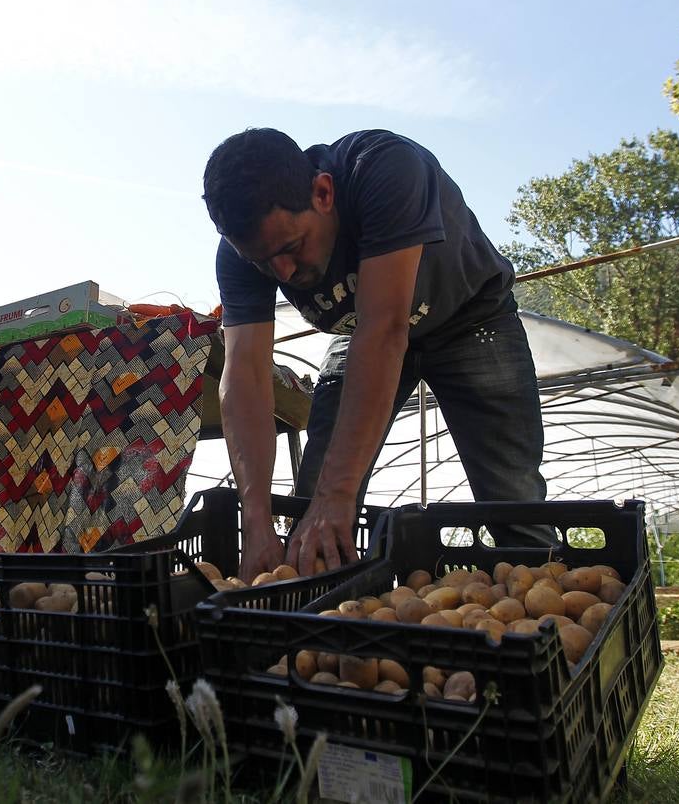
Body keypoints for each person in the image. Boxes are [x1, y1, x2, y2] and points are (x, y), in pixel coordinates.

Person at [204, 128, 553, 580]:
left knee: (513, 498)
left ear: (323, 193)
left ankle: (544, 618)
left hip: (470, 320)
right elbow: (247, 374)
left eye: (291, 248)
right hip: (360, 333)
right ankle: (329, 620)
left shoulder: (384, 169)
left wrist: (339, 492)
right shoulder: (243, 253)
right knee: (313, 507)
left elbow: (386, 328)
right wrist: (255, 517)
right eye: (263, 262)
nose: (283, 273)